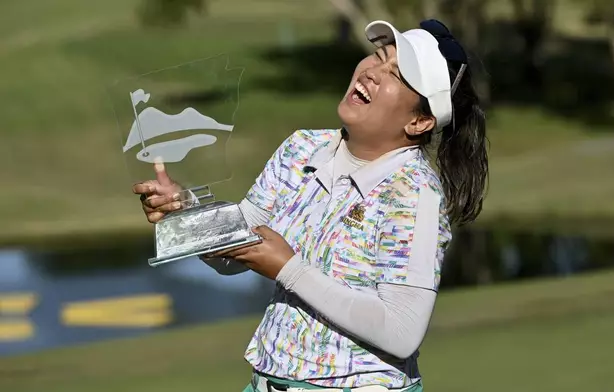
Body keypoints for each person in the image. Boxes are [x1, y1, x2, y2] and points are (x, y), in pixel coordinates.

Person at [134, 18, 488, 392]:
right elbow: (239, 243)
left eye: (396, 75)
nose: (371, 73)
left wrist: (289, 268)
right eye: (377, 56)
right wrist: (186, 212)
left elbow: (401, 331)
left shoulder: (414, 196)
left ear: (419, 121)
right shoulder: (302, 149)